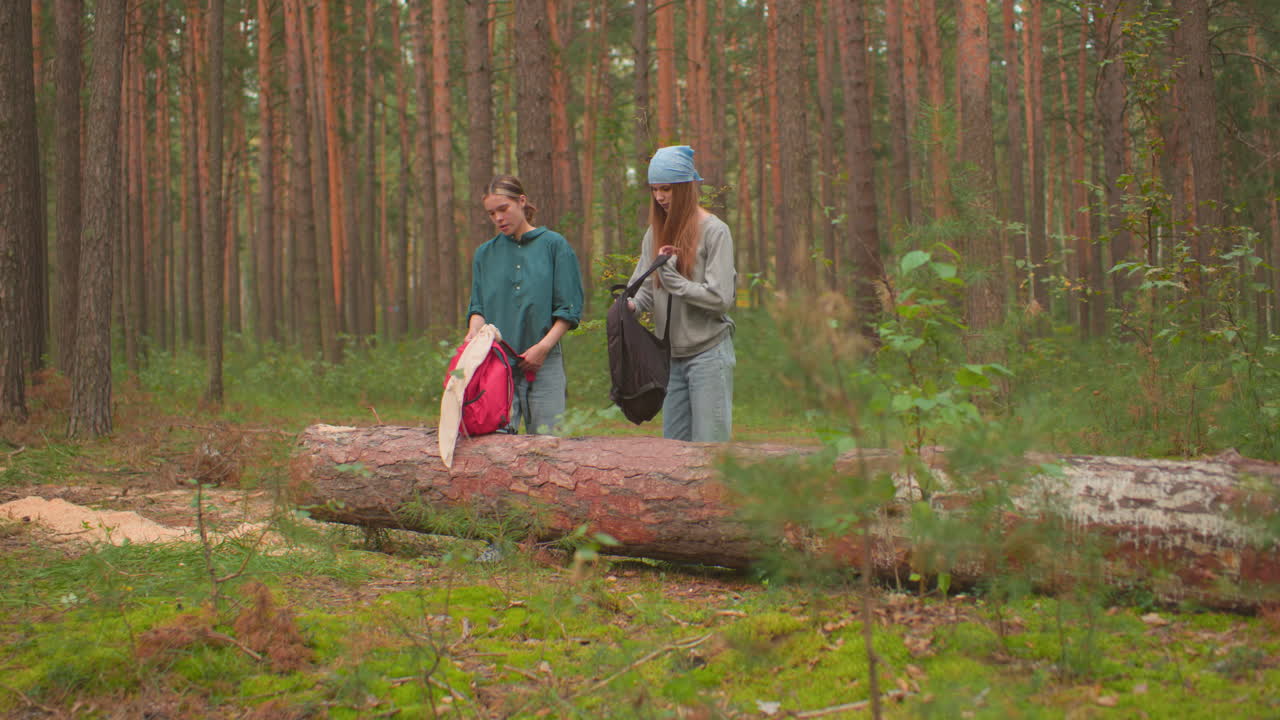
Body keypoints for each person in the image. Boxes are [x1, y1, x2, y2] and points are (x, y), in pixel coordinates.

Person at [626, 145, 737, 442]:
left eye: (667, 189)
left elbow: (721, 298)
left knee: (709, 452)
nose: (660, 197)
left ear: (686, 187)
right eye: (654, 189)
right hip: (670, 359)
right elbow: (645, 290)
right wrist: (631, 306)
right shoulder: (655, 234)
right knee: (673, 454)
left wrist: (677, 283)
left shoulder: (715, 231)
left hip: (708, 356)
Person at [466, 174, 584, 435]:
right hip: (497, 366)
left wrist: (542, 348)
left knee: (547, 445)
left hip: (545, 363)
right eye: (491, 213)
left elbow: (568, 309)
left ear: (521, 202)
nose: (498, 218)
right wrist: (474, 332)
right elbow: (478, 308)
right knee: (494, 448)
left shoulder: (554, 246)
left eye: (503, 209)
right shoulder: (485, 254)